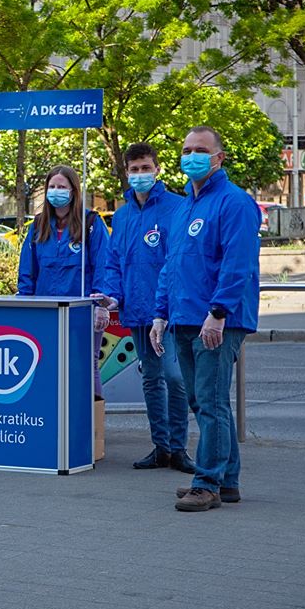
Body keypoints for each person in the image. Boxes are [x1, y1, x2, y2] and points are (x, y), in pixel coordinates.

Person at [150, 126, 261, 512]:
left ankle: (207, 483)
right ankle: (227, 480)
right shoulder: (184, 207)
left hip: (216, 320)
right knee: (203, 402)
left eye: (200, 149)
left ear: (219, 157)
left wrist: (218, 312)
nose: (191, 156)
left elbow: (238, 263)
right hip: (183, 317)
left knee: (211, 402)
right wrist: (160, 313)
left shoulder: (234, 203)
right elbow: (171, 265)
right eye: (185, 149)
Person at [92, 143, 195, 473]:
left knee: (175, 378)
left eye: (145, 168)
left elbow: (179, 262)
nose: (140, 175)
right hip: (135, 311)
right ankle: (161, 447)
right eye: (134, 170)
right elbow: (113, 263)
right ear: (126, 172)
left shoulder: (176, 208)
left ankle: (179, 448)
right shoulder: (121, 216)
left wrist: (165, 310)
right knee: (151, 379)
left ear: (158, 169)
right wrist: (111, 296)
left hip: (167, 314)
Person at [17, 165, 110, 396]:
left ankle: (90, 426)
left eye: (62, 187)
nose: (56, 191)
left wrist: (100, 306)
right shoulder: (38, 225)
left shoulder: (91, 223)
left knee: (87, 366)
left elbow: (103, 266)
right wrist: (24, 303)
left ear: (73, 191)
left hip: (82, 310)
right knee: (46, 364)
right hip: (46, 309)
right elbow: (27, 270)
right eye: (52, 186)